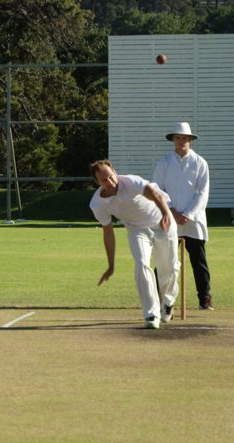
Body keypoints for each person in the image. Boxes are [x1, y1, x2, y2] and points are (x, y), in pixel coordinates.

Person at [89, 159, 180, 329]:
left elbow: (156, 195)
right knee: (141, 264)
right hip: (137, 230)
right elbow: (108, 233)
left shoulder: (130, 181)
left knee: (168, 267)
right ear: (97, 182)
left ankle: (167, 302)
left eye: (110, 177)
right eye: (104, 180)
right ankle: (151, 314)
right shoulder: (97, 203)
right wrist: (111, 266)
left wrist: (166, 213)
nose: (110, 182)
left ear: (114, 172)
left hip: (161, 221)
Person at [154, 121, 213, 310]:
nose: (181, 141)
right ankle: (157, 296)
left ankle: (205, 298)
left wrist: (187, 214)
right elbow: (157, 190)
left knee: (199, 261)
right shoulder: (164, 163)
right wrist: (172, 211)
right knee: (165, 260)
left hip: (193, 220)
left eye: (184, 138)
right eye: (178, 138)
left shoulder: (200, 163)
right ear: (173, 140)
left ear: (190, 140)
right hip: (169, 218)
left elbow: (203, 193)